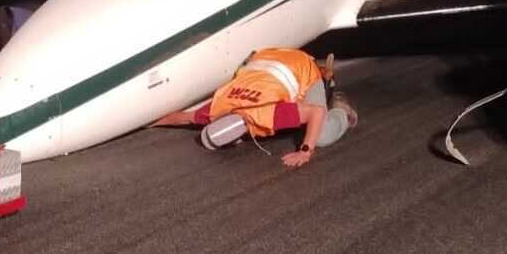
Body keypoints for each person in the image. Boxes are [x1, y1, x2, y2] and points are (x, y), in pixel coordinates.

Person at [153, 48, 357, 169]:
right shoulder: (216, 108)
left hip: (302, 68)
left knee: (320, 135)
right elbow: (182, 117)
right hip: (267, 57)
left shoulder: (267, 114)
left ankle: (341, 108)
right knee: (297, 115)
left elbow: (316, 112)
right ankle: (322, 79)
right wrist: (149, 123)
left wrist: (305, 151)